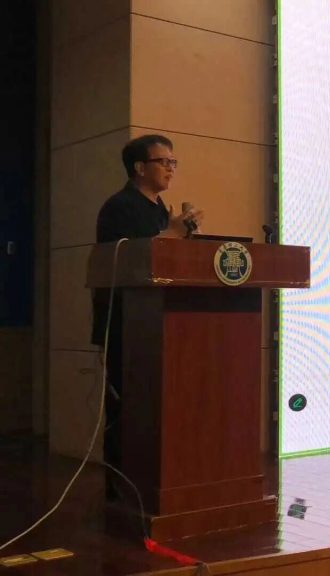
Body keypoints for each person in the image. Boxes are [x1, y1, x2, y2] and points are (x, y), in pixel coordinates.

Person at [91, 134, 202, 499]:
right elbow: (125, 262)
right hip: (126, 325)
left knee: (158, 408)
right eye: (163, 162)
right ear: (140, 167)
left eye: (173, 162)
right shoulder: (119, 207)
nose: (171, 168)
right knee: (128, 409)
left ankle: (157, 482)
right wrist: (169, 234)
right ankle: (121, 490)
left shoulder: (159, 210)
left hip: (161, 325)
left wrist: (182, 237)